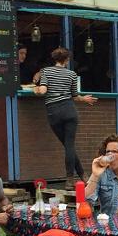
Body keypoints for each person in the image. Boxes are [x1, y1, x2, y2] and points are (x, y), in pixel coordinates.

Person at [33, 47, 96, 182]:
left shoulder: (46, 71)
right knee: (69, 145)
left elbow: (43, 90)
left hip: (54, 112)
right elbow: (75, 96)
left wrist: (35, 89)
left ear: (54, 58)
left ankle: (74, 178)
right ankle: (79, 177)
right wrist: (84, 99)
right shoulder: (72, 74)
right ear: (66, 60)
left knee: (68, 145)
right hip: (69, 110)